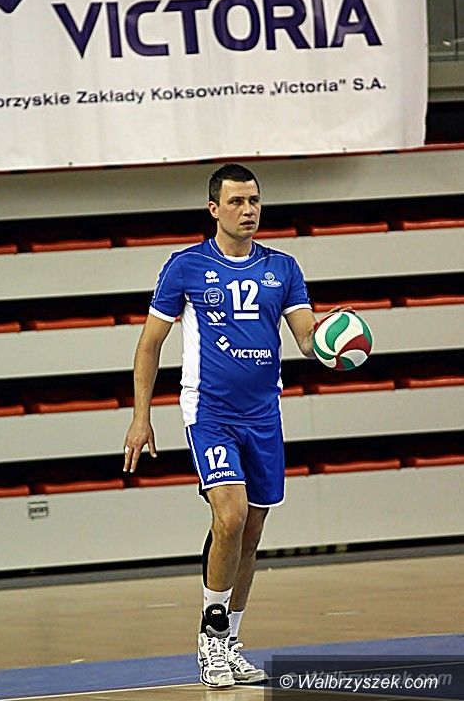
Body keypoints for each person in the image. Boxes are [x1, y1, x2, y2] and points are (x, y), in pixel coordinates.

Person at [123, 163, 318, 689]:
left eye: (254, 200)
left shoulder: (283, 268)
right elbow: (149, 345)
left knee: (251, 532)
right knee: (229, 517)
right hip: (210, 412)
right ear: (214, 209)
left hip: (264, 414)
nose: (248, 210)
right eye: (236, 201)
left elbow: (306, 339)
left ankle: (230, 638)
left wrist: (335, 339)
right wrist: (141, 417)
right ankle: (209, 637)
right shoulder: (186, 266)